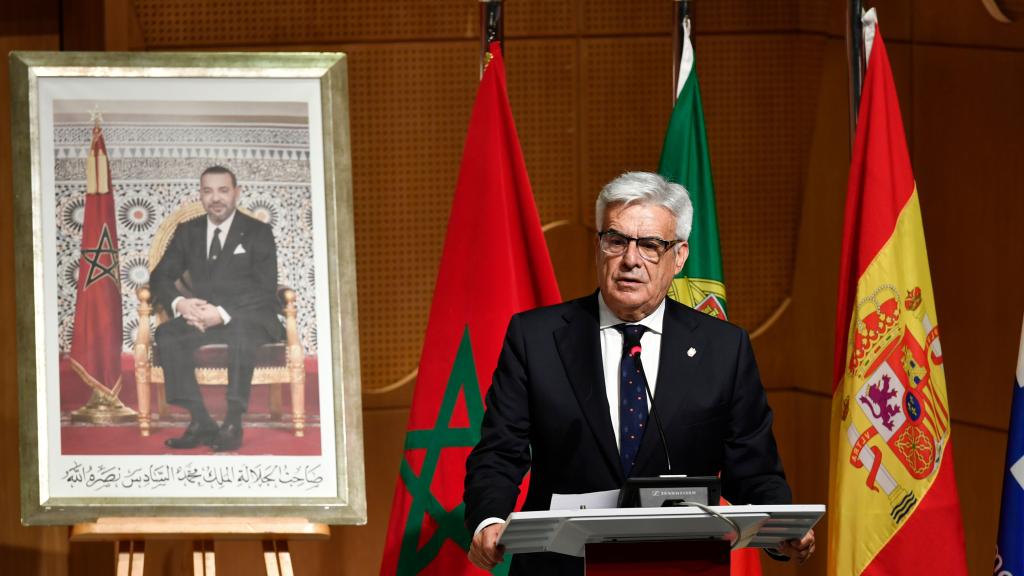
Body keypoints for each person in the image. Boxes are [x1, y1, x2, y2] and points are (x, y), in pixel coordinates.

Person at [463, 172, 815, 573]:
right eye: (616, 240)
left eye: (650, 245)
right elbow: (499, 452)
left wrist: (783, 526)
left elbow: (753, 468)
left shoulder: (724, 348)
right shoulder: (535, 338)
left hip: (680, 565)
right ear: (599, 247)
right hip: (561, 566)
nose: (630, 259)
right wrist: (488, 520)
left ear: (679, 257)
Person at [151, 165, 283, 452]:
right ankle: (201, 420)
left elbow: (264, 288)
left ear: (236, 193)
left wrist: (221, 313)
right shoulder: (189, 231)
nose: (216, 198)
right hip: (202, 316)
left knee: (241, 333)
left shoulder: (258, 231)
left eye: (223, 190)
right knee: (167, 334)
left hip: (250, 316)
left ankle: (233, 422)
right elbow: (159, 276)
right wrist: (181, 304)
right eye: (208, 191)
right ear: (200, 195)